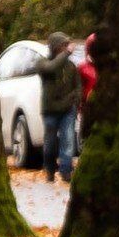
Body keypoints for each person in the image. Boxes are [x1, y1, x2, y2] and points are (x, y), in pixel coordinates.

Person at [34, 31, 81, 182]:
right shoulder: (43, 63)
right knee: (50, 144)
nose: (66, 48)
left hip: (68, 110)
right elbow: (52, 68)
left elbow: (78, 86)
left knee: (68, 141)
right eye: (63, 45)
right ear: (55, 47)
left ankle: (66, 171)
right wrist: (67, 53)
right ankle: (49, 169)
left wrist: (75, 99)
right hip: (50, 110)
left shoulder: (71, 66)